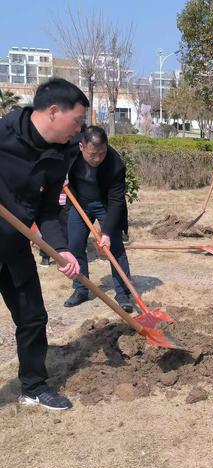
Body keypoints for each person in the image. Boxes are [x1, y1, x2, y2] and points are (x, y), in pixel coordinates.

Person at [0, 78, 85, 410]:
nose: (78, 130)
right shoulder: (3, 133)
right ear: (53, 112)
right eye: (76, 121)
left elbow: (49, 209)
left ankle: (33, 387)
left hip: (14, 247)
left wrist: (61, 248)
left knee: (33, 316)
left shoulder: (59, 154)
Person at [64, 125, 133, 313]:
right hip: (80, 203)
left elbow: (117, 200)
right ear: (81, 147)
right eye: (92, 154)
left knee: (115, 248)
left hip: (106, 205)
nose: (97, 159)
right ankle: (80, 290)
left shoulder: (115, 164)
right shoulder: (69, 149)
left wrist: (108, 233)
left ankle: (123, 293)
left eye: (102, 154)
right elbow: (52, 161)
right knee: (75, 245)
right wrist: (58, 177)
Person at [38, 186, 69, 267]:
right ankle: (45, 256)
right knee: (47, 230)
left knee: (65, 229)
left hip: (65, 202)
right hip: (49, 203)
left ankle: (63, 253)